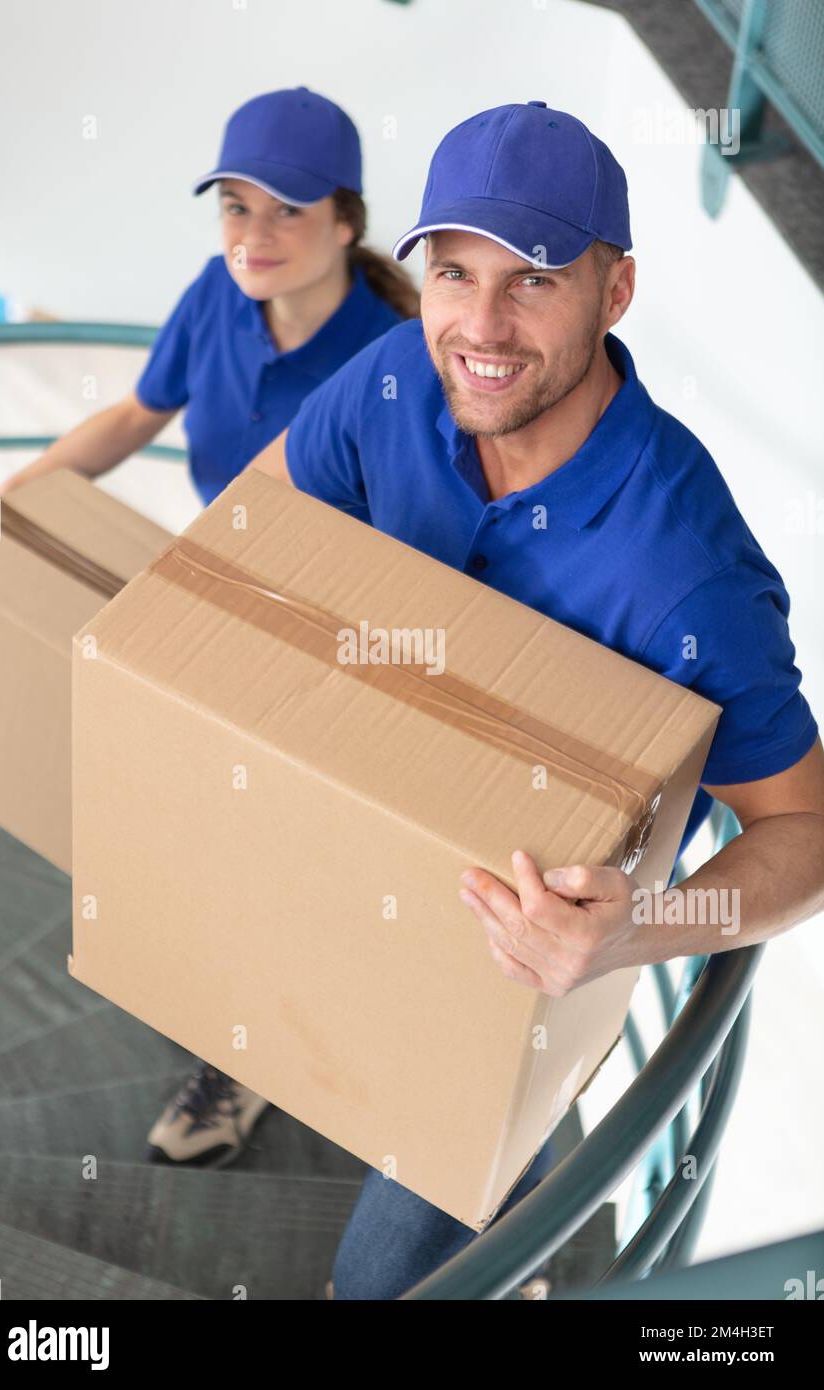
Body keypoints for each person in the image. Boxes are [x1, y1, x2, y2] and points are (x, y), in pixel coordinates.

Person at [247, 99, 823, 1298]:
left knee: (386, 1280)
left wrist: (632, 936)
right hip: (380, 854)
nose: (482, 327)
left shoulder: (685, 574)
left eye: (536, 281)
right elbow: (265, 515)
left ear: (613, 295)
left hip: (516, 971)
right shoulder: (406, 372)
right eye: (455, 273)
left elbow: (804, 833)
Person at [0, 86, 418, 1168]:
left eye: (284, 211)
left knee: (287, 861)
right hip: (223, 604)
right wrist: (8, 510)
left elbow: (418, 552)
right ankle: (242, 1022)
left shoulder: (399, 365)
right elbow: (138, 413)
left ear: (343, 223)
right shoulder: (215, 298)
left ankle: (263, 1064)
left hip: (343, 639)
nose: (253, 235)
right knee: (196, 837)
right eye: (234, 206)